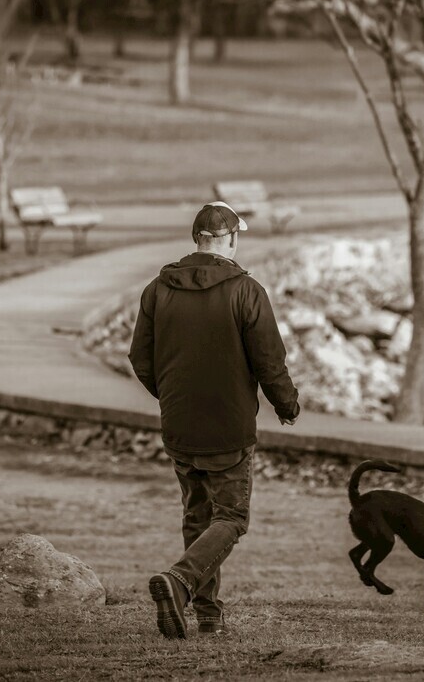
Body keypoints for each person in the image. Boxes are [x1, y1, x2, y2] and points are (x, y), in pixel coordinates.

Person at [128, 201, 301, 639]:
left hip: (180, 426)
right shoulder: (246, 290)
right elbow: (269, 360)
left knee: (197, 516)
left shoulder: (157, 289)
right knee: (231, 518)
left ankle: (208, 614)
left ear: (196, 240)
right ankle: (182, 581)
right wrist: (287, 405)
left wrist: (169, 397)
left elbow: (140, 358)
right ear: (233, 240)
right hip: (230, 426)